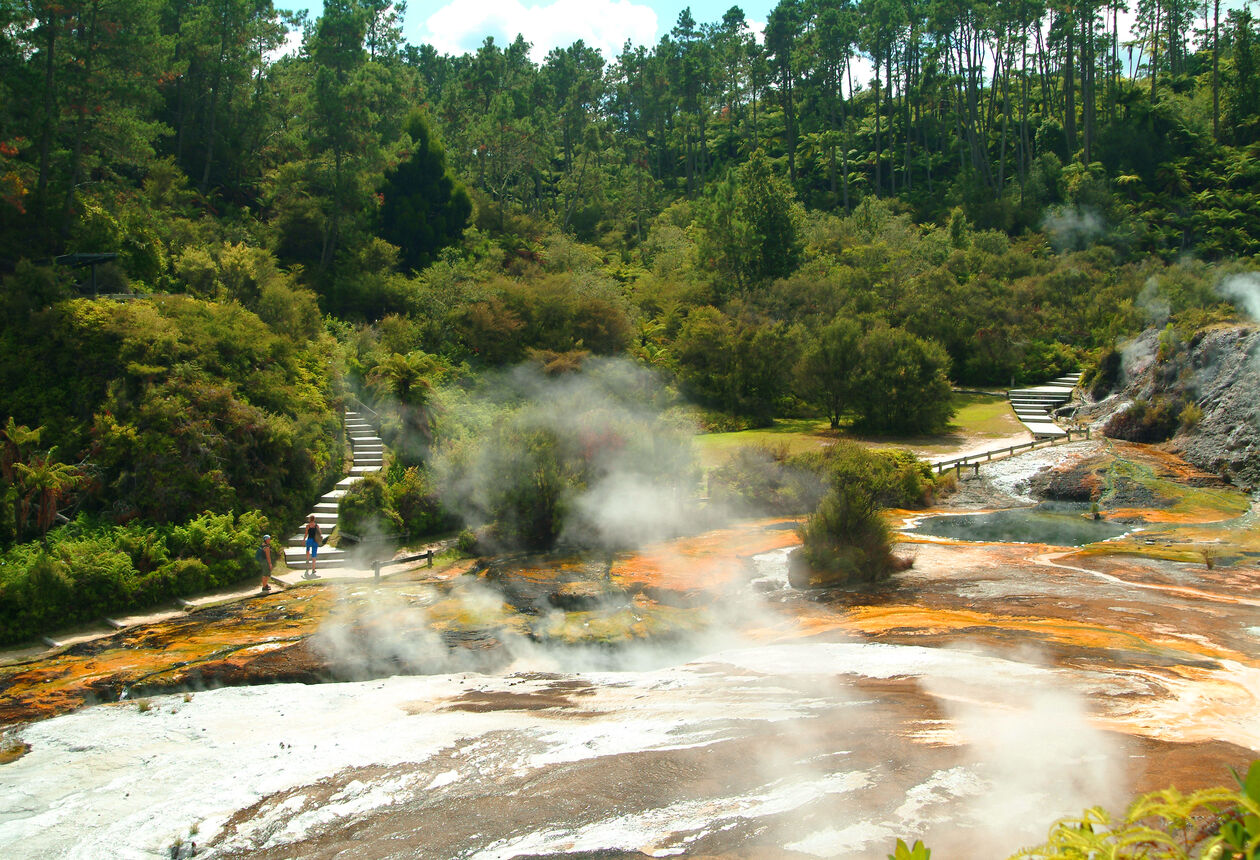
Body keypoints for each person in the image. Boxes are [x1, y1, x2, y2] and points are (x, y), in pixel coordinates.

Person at [302, 515, 323, 579]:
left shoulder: (308, 526)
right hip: (315, 541)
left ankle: (307, 560)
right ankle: (313, 569)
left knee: (308, 550)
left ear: (309, 519)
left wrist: (303, 540)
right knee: (314, 554)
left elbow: (306, 534)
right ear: (314, 519)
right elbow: (320, 533)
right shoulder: (317, 526)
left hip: (309, 540)